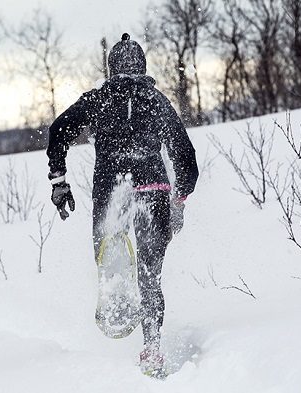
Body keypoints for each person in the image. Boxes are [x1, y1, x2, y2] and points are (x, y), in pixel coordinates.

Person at [45, 33, 198, 376]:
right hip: (155, 189)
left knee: (110, 257)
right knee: (150, 275)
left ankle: (118, 295)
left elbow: (58, 131)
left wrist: (59, 181)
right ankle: (153, 348)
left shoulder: (97, 99)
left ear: (111, 68)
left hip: (112, 193)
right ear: (142, 66)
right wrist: (180, 199)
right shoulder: (156, 100)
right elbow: (185, 155)